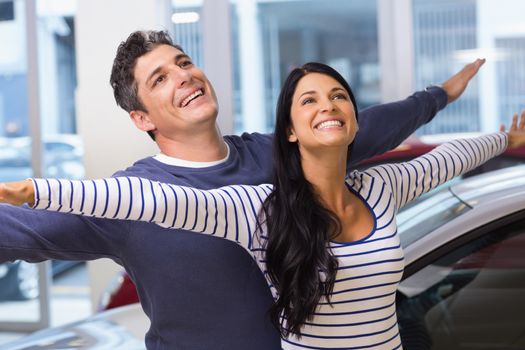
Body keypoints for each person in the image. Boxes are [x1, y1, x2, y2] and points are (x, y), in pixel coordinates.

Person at [0, 29, 484, 349]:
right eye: (161, 77)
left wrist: (437, 96)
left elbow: (366, 126)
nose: (185, 75)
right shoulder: (129, 200)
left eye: (184, 62)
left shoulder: (275, 156)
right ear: (142, 118)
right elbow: (16, 228)